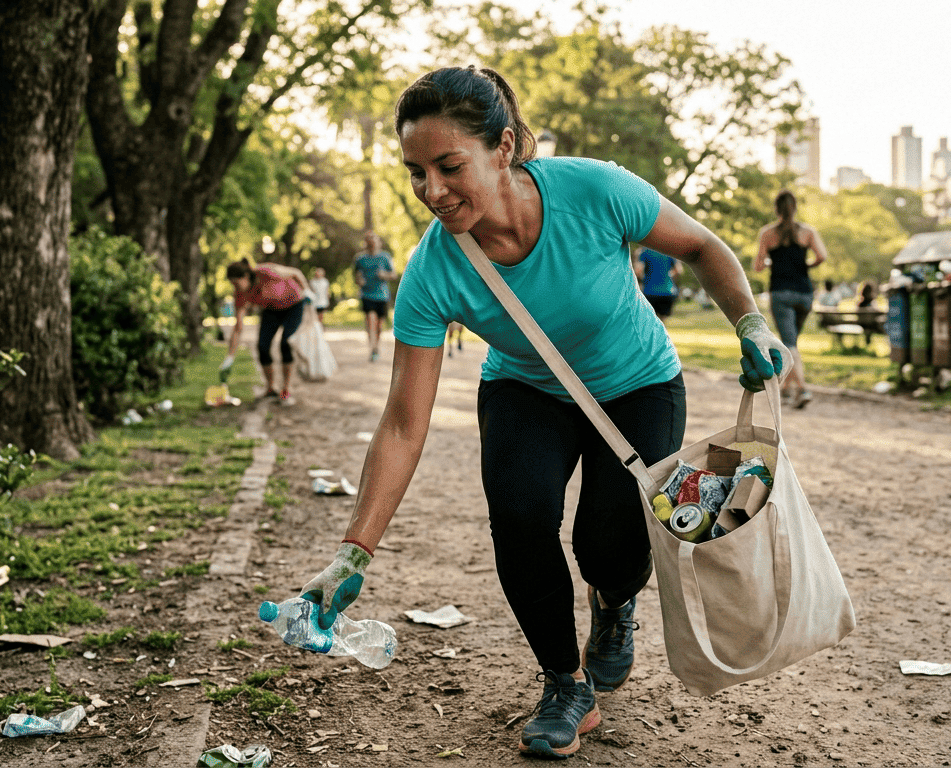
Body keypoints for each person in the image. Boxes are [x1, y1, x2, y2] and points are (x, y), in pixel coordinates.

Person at [295, 66, 788, 760]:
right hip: (527, 390)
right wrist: (353, 553)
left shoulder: (595, 190)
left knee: (608, 546)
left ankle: (615, 605)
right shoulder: (434, 271)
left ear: (502, 148)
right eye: (415, 172)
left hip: (638, 385)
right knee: (521, 518)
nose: (431, 191)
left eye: (447, 166)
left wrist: (751, 323)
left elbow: (703, 247)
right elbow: (404, 424)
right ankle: (565, 683)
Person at [754, 190, 828, 409]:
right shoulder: (808, 232)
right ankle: (786, 389)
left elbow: (758, 266)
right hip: (805, 294)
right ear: (795, 208)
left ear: (776, 209)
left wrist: (771, 263)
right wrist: (805, 265)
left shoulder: (767, 234)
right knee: (792, 341)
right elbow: (822, 256)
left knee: (789, 343)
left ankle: (803, 389)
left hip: (781, 293)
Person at [223, 259, 313, 406]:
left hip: (293, 305)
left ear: (246, 276)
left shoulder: (266, 272)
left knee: (286, 343)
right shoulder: (240, 294)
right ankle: (270, 388)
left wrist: (306, 290)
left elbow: (295, 273)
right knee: (262, 346)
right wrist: (230, 357)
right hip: (271, 310)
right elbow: (238, 327)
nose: (235, 287)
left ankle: (285, 391)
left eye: (236, 283)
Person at [354, 231, 398, 362]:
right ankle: (372, 348)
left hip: (382, 296)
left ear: (379, 243)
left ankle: (376, 346)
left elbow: (394, 275)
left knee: (379, 326)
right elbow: (356, 276)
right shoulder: (360, 259)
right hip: (367, 295)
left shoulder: (385, 257)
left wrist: (384, 275)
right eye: (369, 242)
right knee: (370, 321)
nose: (372, 244)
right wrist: (359, 281)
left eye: (374, 241)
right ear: (366, 244)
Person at [634, 245, 684, 320]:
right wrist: (668, 276)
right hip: (668, 291)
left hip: (650, 291)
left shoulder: (644, 251)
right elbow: (679, 270)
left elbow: (638, 271)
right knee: (662, 321)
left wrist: (644, 278)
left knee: (651, 320)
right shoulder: (669, 251)